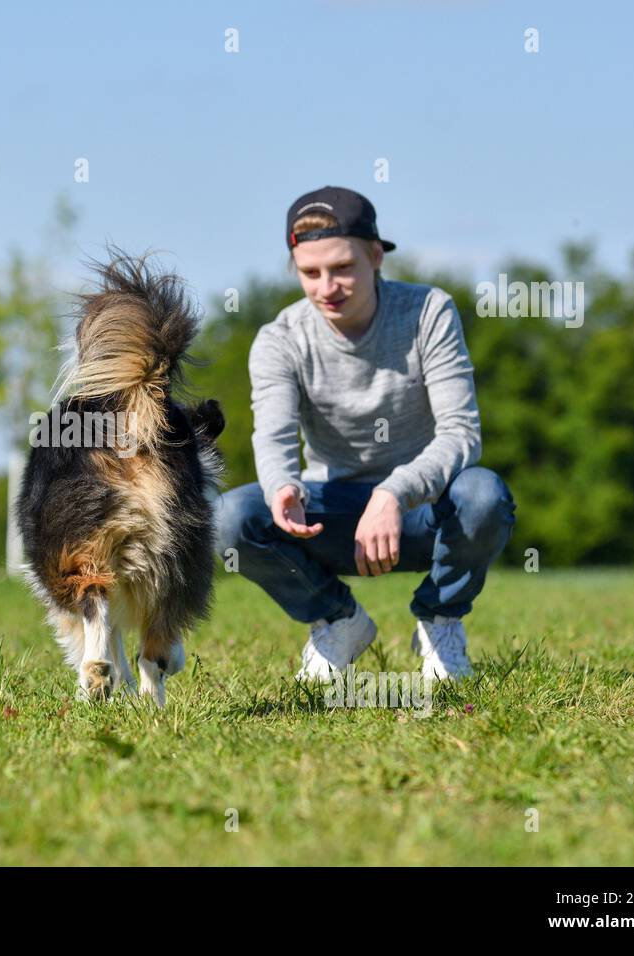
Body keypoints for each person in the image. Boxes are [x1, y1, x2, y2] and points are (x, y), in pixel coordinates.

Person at [214, 186, 515, 682]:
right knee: (231, 518)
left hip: (422, 513)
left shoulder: (428, 312)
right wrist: (282, 487)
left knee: (483, 494)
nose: (326, 286)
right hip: (332, 516)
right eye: (310, 273)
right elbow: (273, 437)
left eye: (342, 268)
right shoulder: (280, 339)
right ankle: (338, 620)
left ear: (375, 256)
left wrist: (394, 492)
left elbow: (462, 434)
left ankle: (439, 620)